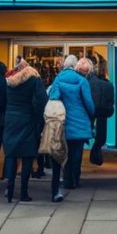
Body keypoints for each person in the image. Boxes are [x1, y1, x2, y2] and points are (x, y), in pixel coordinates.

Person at [47, 55, 94, 201]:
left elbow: (53, 97)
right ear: (75, 66)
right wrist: (91, 115)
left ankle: (66, 178)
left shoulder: (58, 79)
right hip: (79, 122)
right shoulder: (82, 80)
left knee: (63, 151)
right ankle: (74, 179)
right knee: (77, 152)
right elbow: (89, 103)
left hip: (63, 121)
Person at [2, 58, 47, 202]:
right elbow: (42, 101)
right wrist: (40, 120)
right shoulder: (34, 80)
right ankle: (23, 193)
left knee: (11, 154)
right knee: (27, 156)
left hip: (11, 120)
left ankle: (9, 191)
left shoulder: (8, 82)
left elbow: (2, 101)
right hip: (28, 119)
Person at [86, 60, 115, 167]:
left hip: (95, 109)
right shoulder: (106, 83)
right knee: (101, 135)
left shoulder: (90, 81)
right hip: (102, 109)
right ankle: (96, 153)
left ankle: (95, 153)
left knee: (96, 133)